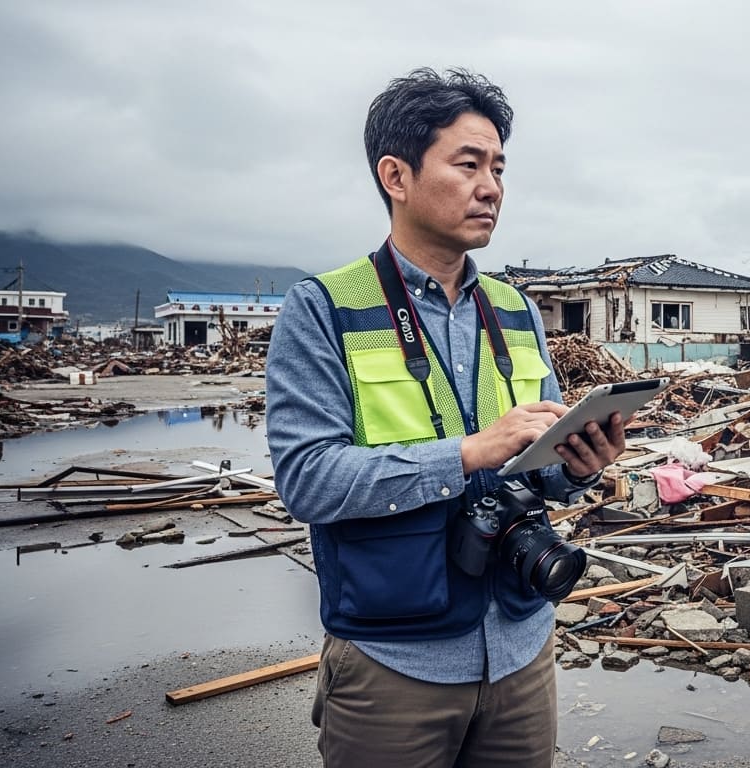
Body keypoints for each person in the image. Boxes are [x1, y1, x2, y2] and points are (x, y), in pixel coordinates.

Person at [266, 67, 625, 768]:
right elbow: (307, 480)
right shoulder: (324, 309)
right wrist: (467, 452)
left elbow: (535, 468)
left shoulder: (516, 309)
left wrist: (576, 465)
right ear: (396, 176)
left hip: (522, 645)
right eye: (468, 165)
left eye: (498, 168)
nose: (491, 187)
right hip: (394, 663)